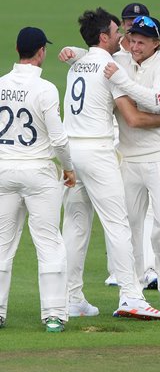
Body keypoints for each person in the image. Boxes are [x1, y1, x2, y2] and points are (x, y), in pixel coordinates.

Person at [62, 15, 160, 320]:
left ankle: (69, 298)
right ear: (105, 38)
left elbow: (86, 56)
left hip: (70, 149)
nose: (125, 40)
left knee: (76, 226)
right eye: (119, 32)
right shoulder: (111, 69)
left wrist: (72, 52)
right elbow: (132, 119)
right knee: (118, 225)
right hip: (98, 151)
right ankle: (131, 295)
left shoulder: (77, 66)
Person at [0, 27, 76, 333]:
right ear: (41, 51)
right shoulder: (45, 89)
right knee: (49, 243)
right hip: (39, 173)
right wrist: (69, 168)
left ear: (18, 49)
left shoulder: (0, 84)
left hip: (4, 170)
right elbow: (58, 139)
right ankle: (54, 314)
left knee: (2, 244)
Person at [104, 2, 158, 290]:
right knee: (120, 207)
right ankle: (116, 269)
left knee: (146, 211)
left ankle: (147, 269)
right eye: (128, 20)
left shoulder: (152, 55)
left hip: (140, 140)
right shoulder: (114, 53)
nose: (131, 25)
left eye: (138, 20)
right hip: (115, 135)